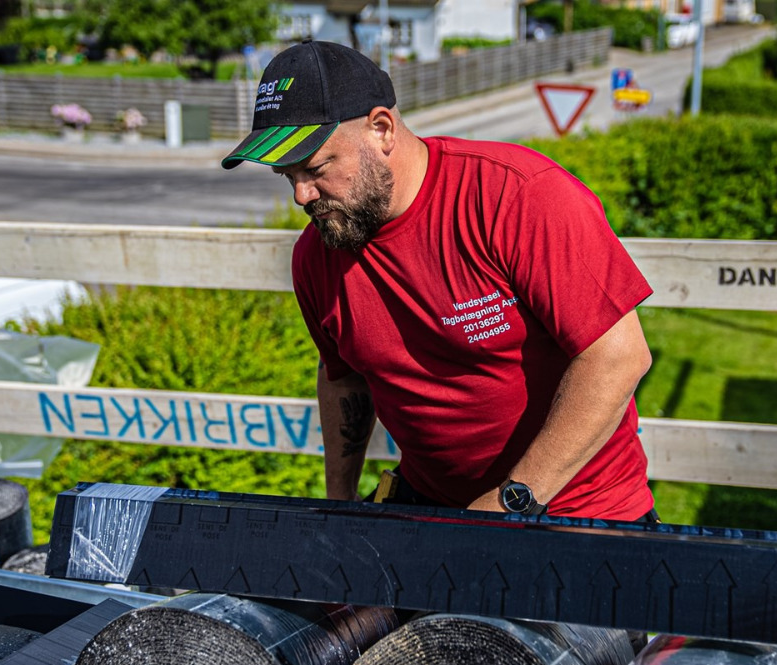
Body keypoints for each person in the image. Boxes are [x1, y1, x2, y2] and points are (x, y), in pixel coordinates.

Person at [222, 41, 656, 521]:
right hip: (433, 510)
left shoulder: (515, 196)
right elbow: (344, 379)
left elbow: (617, 359)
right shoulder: (318, 253)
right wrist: (339, 506)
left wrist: (506, 506)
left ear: (381, 128)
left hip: (580, 512)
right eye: (287, 176)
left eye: (317, 168)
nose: (303, 195)